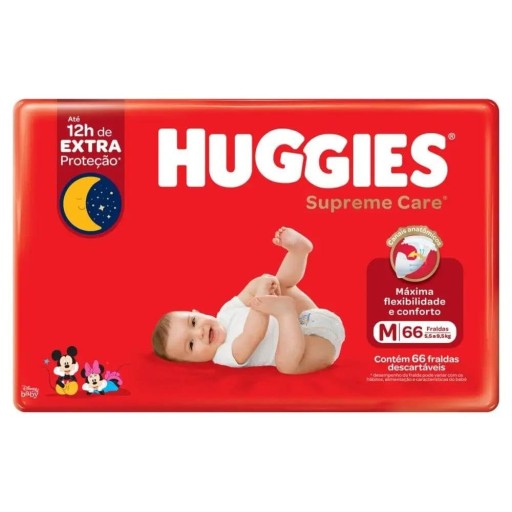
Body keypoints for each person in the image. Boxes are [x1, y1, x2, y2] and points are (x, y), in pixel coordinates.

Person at [152, 227, 345, 374]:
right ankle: (285, 313)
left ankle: (298, 252)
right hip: (315, 347)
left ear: (197, 312)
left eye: (193, 322)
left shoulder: (226, 311)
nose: (199, 332)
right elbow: (253, 334)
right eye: (191, 344)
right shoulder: (224, 355)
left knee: (281, 284)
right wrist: (263, 300)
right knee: (287, 365)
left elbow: (249, 290)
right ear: (192, 362)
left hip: (308, 316)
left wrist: (263, 283)